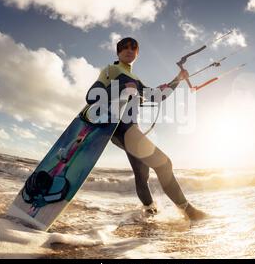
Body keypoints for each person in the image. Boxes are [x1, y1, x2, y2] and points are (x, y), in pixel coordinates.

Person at [85, 37, 208, 221]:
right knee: (163, 163)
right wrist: (122, 89)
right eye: (124, 48)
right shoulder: (110, 70)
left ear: (137, 53)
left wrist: (178, 79)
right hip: (119, 128)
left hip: (130, 129)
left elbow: (157, 97)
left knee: (142, 174)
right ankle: (188, 211)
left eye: (133, 48)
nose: (129, 50)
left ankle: (149, 212)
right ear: (118, 52)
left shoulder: (136, 80)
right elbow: (91, 96)